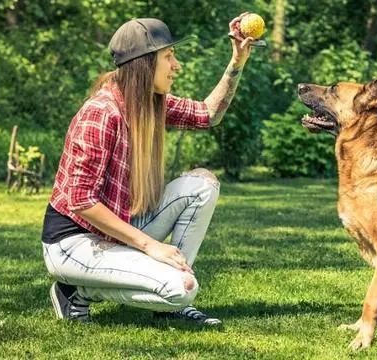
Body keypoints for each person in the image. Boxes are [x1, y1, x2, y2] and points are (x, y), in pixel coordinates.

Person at [41, 14, 256, 325]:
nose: (176, 65)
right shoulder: (101, 113)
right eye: (168, 57)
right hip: (74, 243)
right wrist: (150, 245)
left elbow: (208, 114)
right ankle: (76, 292)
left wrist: (237, 61)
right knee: (183, 289)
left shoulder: (150, 103)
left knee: (202, 185)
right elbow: (81, 200)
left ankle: (171, 298)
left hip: (115, 230)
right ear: (143, 63)